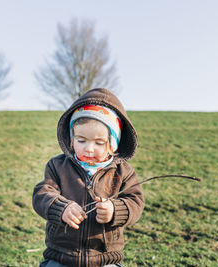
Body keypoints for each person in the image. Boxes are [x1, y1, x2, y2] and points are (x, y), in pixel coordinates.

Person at [32, 88, 145, 267]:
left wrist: (115, 210)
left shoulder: (123, 172)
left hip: (105, 258)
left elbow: (135, 201)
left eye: (99, 143)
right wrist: (61, 208)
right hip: (62, 256)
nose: (89, 148)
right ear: (71, 139)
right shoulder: (57, 166)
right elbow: (42, 194)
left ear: (113, 145)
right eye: (81, 140)